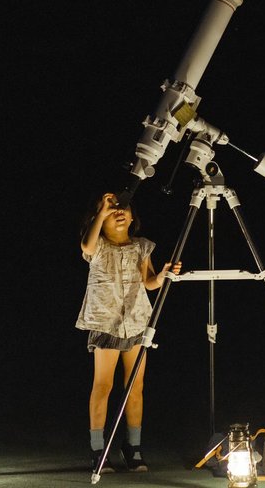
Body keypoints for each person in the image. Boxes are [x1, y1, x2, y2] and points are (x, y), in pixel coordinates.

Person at [76, 192, 182, 474]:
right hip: (106, 323)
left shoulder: (141, 247)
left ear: (133, 216)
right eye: (111, 211)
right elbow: (86, 245)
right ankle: (98, 449)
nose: (118, 212)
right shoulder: (97, 245)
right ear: (99, 218)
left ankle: (132, 446)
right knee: (103, 385)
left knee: (135, 387)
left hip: (136, 322)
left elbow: (149, 282)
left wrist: (163, 275)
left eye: (123, 208)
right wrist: (102, 211)